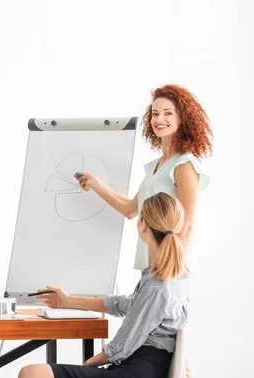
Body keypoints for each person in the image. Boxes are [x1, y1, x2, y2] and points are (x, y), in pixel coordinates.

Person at [19, 192, 189, 378]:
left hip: (135, 371)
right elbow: (126, 304)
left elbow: (124, 343)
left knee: (33, 373)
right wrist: (68, 301)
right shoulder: (171, 279)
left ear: (143, 225)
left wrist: (91, 362)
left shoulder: (156, 286)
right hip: (140, 367)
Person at [77, 84, 212, 271]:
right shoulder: (157, 166)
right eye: (155, 114)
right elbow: (131, 209)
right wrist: (96, 183)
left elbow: (186, 226)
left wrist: (172, 274)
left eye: (168, 113)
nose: (159, 119)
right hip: (150, 266)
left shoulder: (184, 165)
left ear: (183, 118)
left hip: (167, 270)